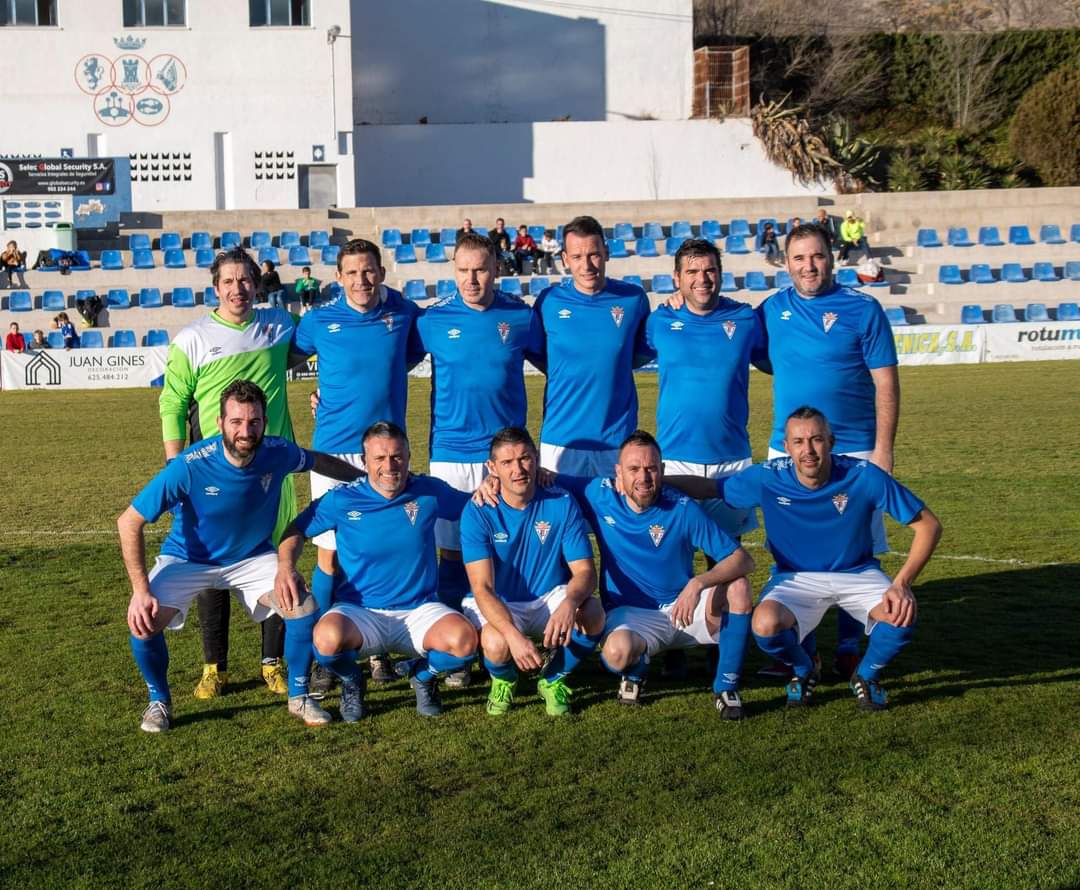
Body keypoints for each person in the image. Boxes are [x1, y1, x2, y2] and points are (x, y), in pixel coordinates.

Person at [120, 380, 366, 732]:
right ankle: (158, 701)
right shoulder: (189, 465)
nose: (245, 431)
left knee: (302, 606)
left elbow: (318, 460)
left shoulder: (277, 451)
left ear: (265, 422)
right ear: (219, 423)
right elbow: (129, 522)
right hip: (189, 559)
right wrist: (140, 591)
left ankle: (299, 696)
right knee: (142, 623)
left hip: (252, 558)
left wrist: (364, 480)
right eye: (236, 422)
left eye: (253, 422)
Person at [684, 407, 941, 711]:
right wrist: (656, 484)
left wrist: (902, 583)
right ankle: (806, 669)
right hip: (794, 577)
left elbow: (929, 525)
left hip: (858, 572)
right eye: (798, 441)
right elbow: (710, 488)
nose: (808, 450)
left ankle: (866, 676)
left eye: (816, 439)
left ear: (831, 442)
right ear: (787, 447)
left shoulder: (864, 475)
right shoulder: (768, 477)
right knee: (764, 624)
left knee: (902, 613)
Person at [756, 222, 899, 679]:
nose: (808, 266)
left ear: (832, 257)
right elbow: (743, 343)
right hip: (787, 451)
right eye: (798, 258)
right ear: (786, 263)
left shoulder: (864, 309)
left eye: (816, 256)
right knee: (795, 552)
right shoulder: (770, 310)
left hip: (855, 452)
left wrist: (883, 450)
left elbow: (886, 383)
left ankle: (851, 646)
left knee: (857, 553)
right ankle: (805, 648)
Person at [159, 247, 300, 700]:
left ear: (257, 284)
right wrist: (176, 467)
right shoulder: (193, 339)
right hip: (210, 476)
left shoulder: (279, 327)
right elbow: (172, 403)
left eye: (245, 280)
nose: (237, 289)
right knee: (211, 567)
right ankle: (213, 668)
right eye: (228, 282)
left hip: (271, 475)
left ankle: (272, 662)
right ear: (215, 287)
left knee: (281, 562)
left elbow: (324, 359)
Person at [276, 422, 479, 720]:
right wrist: (285, 566)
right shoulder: (342, 499)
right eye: (380, 458)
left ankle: (423, 678)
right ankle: (352, 681)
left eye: (397, 457)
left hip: (419, 609)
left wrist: (498, 484)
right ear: (364, 461)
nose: (389, 466)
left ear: (409, 456)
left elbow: (475, 506)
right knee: (325, 639)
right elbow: (296, 530)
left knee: (465, 641)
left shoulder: (429, 491)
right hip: (360, 611)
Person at [411, 232, 543, 686]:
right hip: (451, 454)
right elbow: (387, 364)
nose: (472, 279)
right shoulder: (432, 320)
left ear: (497, 269)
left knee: (505, 547)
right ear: (453, 271)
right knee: (452, 553)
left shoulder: (521, 317)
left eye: (481, 269)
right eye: (463, 270)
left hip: (506, 457)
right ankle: (458, 650)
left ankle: (500, 641)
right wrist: (321, 395)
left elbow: (558, 365)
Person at [291, 238, 422, 688]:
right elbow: (288, 357)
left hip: (385, 453)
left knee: (382, 550)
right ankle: (326, 652)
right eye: (352, 273)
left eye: (369, 271)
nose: (361, 280)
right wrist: (319, 396)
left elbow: (409, 357)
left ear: (381, 273)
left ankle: (377, 653)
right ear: (338, 278)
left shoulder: (404, 314)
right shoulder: (318, 321)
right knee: (330, 556)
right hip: (332, 453)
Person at [554, 431, 756, 717]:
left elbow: (743, 560)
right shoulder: (599, 494)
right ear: (618, 473)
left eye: (651, 468)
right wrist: (494, 480)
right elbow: (540, 478)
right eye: (634, 469)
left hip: (686, 609)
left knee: (738, 587)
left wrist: (698, 583)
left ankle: (726, 687)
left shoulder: (682, 507)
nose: (644, 477)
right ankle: (637, 670)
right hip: (632, 614)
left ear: (662, 471)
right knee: (615, 653)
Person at [643, 238, 765, 680]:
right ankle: (671, 640)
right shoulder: (660, 320)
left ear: (721, 272)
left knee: (725, 561)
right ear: (676, 279)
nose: (702, 279)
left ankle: (721, 645)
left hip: (732, 462)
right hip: (676, 461)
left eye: (709, 270)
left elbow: (778, 361)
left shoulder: (746, 319)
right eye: (691, 272)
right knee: (672, 557)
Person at [461, 427, 603, 716]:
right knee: (495, 641)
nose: (518, 469)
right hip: (501, 599)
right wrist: (513, 635)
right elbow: (482, 588)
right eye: (507, 463)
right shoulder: (478, 509)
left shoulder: (561, 500)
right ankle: (504, 679)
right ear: (492, 467)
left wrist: (570, 603)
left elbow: (586, 572)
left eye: (525, 459)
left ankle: (552, 678)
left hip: (548, 594)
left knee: (593, 613)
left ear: (536, 459)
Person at [532, 215, 652, 478]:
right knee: (560, 518)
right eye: (577, 257)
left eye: (594, 255)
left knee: (615, 518)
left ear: (607, 253)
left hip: (616, 441)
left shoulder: (633, 299)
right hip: (561, 441)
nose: (586, 265)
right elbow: (539, 355)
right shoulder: (548, 301)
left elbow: (638, 354)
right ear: (564, 259)